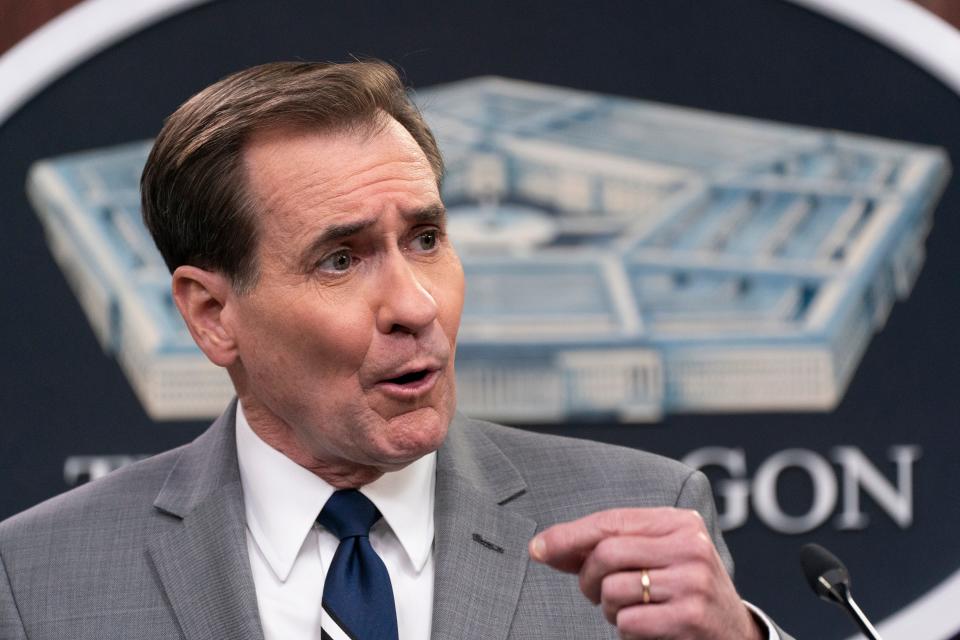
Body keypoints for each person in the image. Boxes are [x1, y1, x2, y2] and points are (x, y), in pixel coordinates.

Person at [0, 60, 791, 640]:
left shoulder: (644, 521)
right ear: (212, 315)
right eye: (340, 259)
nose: (416, 305)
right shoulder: (38, 579)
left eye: (426, 238)